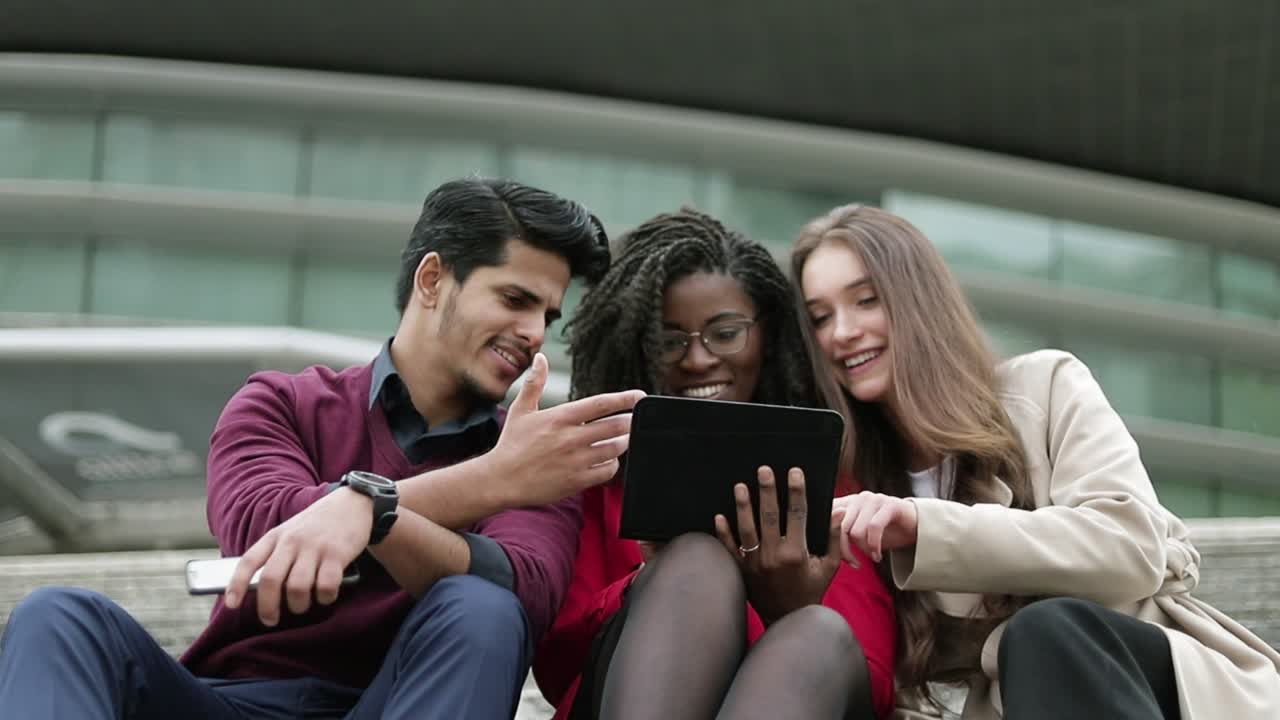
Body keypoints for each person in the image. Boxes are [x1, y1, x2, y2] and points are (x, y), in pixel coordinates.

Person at [0, 177, 646, 720]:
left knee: (480, 607)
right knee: (59, 615)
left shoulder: (537, 456)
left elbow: (522, 594)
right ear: (432, 280)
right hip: (226, 704)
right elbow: (265, 537)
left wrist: (366, 512)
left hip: (403, 702)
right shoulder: (281, 403)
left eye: (548, 317)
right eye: (514, 299)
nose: (534, 334)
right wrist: (426, 496)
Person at [791, 203, 1280, 720]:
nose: (841, 332)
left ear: (917, 302)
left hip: (1154, 689)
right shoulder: (857, 488)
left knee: (1044, 631)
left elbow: (1133, 547)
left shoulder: (1044, 388)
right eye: (821, 317)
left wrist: (925, 527)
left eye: (865, 300)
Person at [534, 208, 896, 720]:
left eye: (725, 333)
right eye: (669, 340)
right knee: (696, 562)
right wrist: (653, 582)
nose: (698, 359)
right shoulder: (596, 472)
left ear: (766, 338)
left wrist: (786, 608)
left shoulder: (821, 481)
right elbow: (557, 666)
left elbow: (874, 684)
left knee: (817, 630)